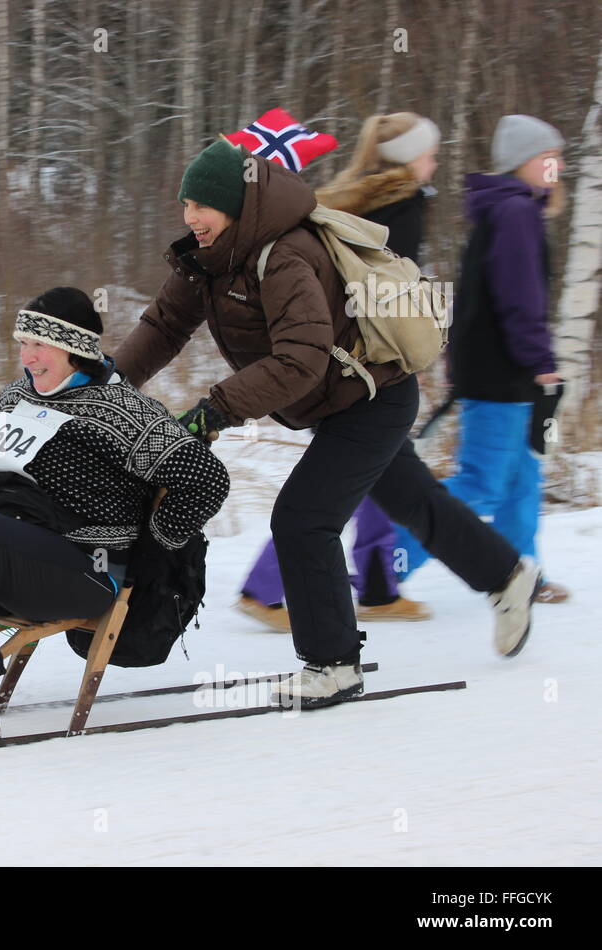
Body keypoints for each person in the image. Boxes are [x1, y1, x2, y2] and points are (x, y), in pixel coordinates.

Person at [114, 138, 539, 709]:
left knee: (301, 521)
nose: (191, 218)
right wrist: (101, 387)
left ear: (237, 207)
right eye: (186, 205)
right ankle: (507, 575)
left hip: (373, 400)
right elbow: (164, 326)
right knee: (414, 502)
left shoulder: (283, 255)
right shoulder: (208, 259)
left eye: (203, 206)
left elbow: (301, 358)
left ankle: (334, 663)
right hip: (335, 405)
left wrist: (216, 409)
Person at [0, 287, 229, 739]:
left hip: (85, 570)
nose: (27, 357)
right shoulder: (16, 397)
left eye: (40, 346)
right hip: (7, 549)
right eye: (22, 344)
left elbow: (207, 479)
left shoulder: (123, 411)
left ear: (75, 351)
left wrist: (154, 547)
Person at [237, 112, 440, 631]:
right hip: (370, 363)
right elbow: (391, 290)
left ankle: (372, 585)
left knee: (357, 476)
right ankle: (273, 588)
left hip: (340, 360)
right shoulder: (403, 205)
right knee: (348, 478)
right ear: (407, 160)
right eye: (428, 153)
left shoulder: (352, 194)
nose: (433, 161)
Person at [392, 115, 571, 603]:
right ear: (523, 163)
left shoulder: (514, 209)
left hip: (503, 369)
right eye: (547, 157)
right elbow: (520, 299)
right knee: (481, 482)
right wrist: (540, 359)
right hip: (501, 371)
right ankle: (384, 567)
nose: (557, 166)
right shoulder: (514, 212)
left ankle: (522, 573)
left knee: (521, 479)